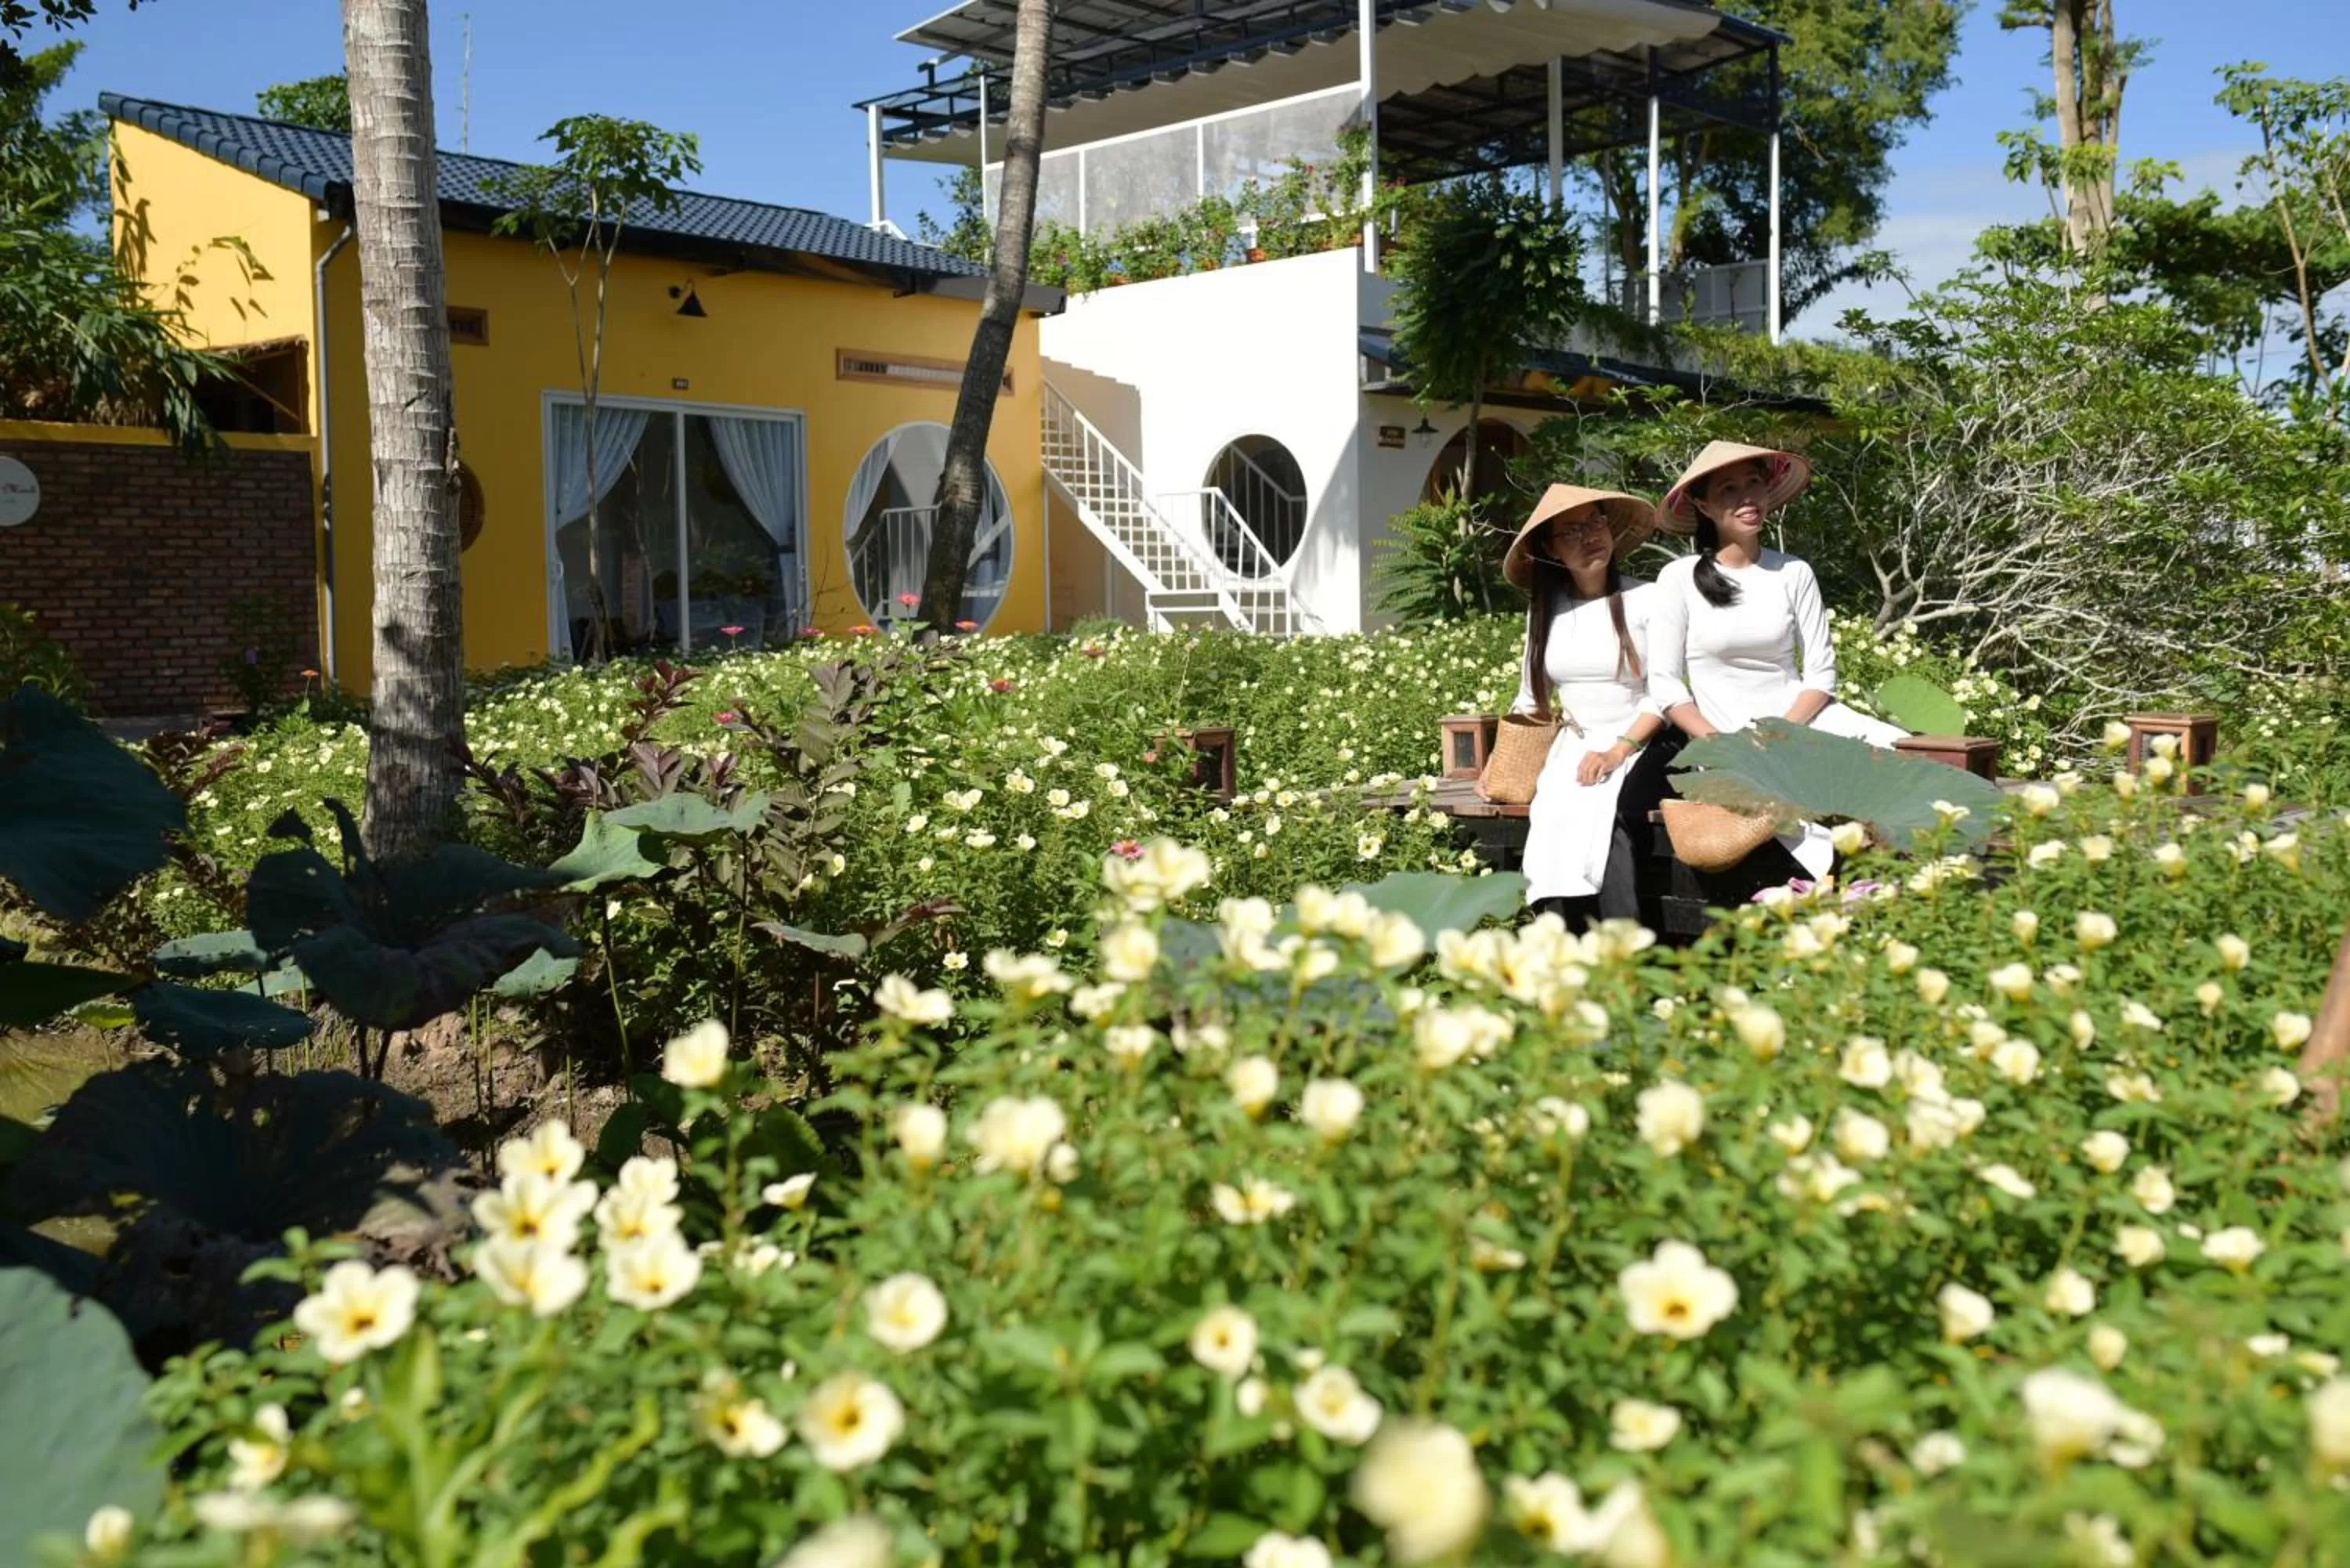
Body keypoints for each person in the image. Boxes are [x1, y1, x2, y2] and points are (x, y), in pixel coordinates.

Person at [1647, 440, 1905, 887]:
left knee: (1903, 750)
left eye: (1753, 484)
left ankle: (1893, 868)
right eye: (1728, 490)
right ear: (1703, 506)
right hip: (1725, 734)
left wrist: (1783, 731)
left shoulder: (1793, 572)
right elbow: (1666, 686)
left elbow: (1821, 674)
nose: (1746, 498)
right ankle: (1841, 881)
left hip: (1799, 721)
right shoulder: (1679, 579)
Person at [1483, 484, 1672, 928]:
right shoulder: (1546, 609)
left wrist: (1617, 752)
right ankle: (1564, 951)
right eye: (1572, 530)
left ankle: (1623, 955)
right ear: (1550, 548)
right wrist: (1497, 762)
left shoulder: (1649, 598)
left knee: (1612, 822)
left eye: (1596, 522)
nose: (1590, 536)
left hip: (1641, 742)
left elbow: (1665, 694)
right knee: (1553, 822)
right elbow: (1532, 698)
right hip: (1573, 749)